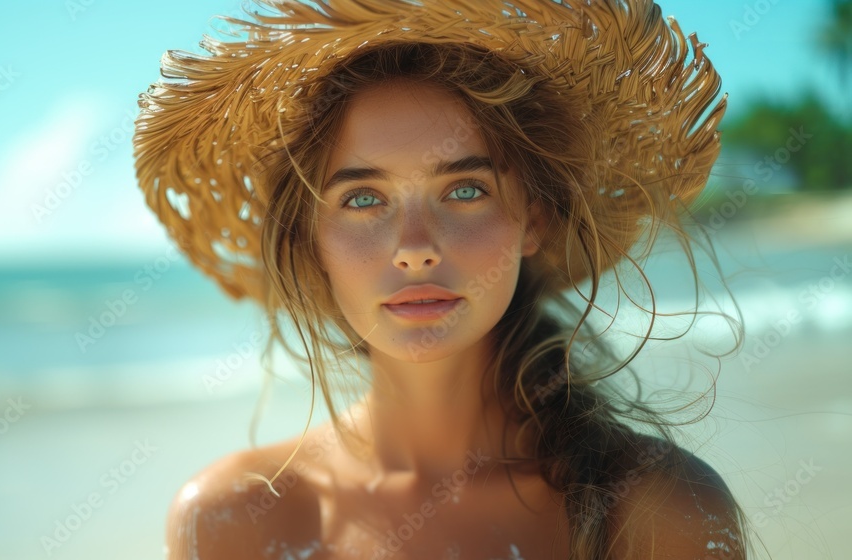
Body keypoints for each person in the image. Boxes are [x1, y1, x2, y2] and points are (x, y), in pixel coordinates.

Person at [132, 0, 756, 557]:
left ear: (533, 218)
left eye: (463, 190)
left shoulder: (660, 517)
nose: (414, 249)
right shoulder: (230, 523)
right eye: (362, 199)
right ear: (310, 241)